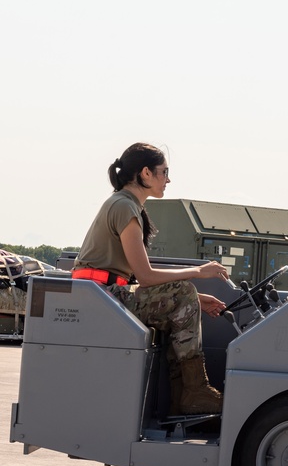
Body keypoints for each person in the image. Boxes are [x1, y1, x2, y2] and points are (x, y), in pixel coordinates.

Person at [73, 142, 230, 415]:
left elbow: (138, 276)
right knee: (182, 290)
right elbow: (145, 277)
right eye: (163, 172)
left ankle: (187, 397)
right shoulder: (124, 206)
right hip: (101, 298)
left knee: (184, 295)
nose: (168, 179)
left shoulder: (125, 204)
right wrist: (198, 272)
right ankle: (194, 390)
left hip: (104, 294)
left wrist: (196, 298)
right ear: (145, 173)